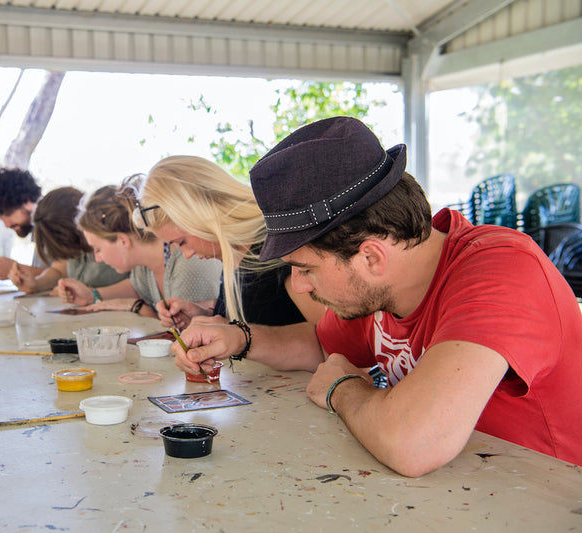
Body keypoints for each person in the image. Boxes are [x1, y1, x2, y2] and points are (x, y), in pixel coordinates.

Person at [172, 116, 582, 476]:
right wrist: (239, 337)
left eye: (306, 268)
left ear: (370, 256)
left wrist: (344, 389)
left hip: (543, 498)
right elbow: (321, 343)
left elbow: (416, 444)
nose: (298, 285)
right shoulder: (378, 289)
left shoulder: (503, 271)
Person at [134, 155, 325, 330]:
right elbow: (263, 315)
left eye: (182, 242)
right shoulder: (233, 252)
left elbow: (331, 339)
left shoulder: (277, 248)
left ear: (200, 214)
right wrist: (204, 314)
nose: (187, 254)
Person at [58, 179, 222, 317]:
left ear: (123, 240)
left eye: (98, 249)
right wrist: (92, 295)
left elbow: (184, 331)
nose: (97, 258)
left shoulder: (188, 261)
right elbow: (137, 288)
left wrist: (138, 307)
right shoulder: (145, 266)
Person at [11, 186, 128, 294]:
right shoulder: (74, 248)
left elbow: (138, 286)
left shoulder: (111, 235)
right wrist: (36, 283)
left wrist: (93, 294)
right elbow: (59, 270)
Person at [0, 168, 46, 279]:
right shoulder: (38, 230)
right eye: (1, 219)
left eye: (8, 213)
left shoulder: (54, 221)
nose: (7, 224)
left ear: (28, 200)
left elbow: (66, 276)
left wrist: (16, 270)